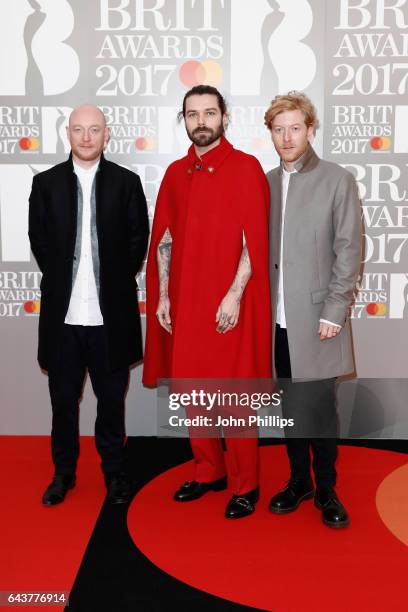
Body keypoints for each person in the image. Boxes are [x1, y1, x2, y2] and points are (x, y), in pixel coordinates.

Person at [143, 85, 271, 519]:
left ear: (225, 117)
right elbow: (164, 237)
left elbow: (254, 239)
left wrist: (234, 294)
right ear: (184, 119)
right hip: (184, 301)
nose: (202, 121)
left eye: (209, 113)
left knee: (234, 397)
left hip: (229, 301)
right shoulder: (176, 173)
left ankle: (245, 484)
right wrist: (162, 295)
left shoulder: (247, 168)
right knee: (193, 392)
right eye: (193, 114)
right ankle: (208, 470)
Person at [28, 104, 149, 505]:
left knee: (111, 404)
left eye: (93, 129)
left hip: (109, 318)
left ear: (106, 134)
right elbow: (40, 242)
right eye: (78, 129)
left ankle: (114, 473)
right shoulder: (46, 184)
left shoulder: (126, 183)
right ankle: (63, 474)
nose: (85, 137)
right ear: (68, 133)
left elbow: (137, 243)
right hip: (64, 319)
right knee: (62, 403)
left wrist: (111, 285)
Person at [264, 91, 361, 528]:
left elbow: (349, 249)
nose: (287, 137)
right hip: (276, 322)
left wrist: (335, 309)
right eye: (278, 129)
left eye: (295, 128)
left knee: (321, 409)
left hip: (320, 317)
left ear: (310, 129)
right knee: (289, 405)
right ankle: (297, 481)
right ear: (271, 132)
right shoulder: (263, 183)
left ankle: (327, 488)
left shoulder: (337, 179)